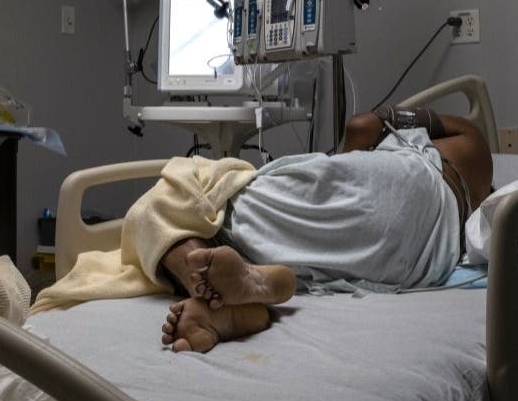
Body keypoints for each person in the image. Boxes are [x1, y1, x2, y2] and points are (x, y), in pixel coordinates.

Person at [156, 107, 493, 353]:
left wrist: (348, 158)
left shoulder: (472, 139)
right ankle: (234, 298)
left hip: (401, 186)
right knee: (300, 261)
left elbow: (363, 124)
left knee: (167, 197)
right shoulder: (467, 216)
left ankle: (204, 288)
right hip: (416, 259)